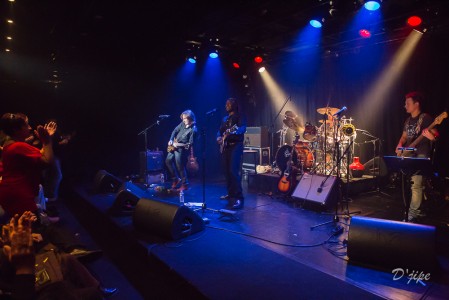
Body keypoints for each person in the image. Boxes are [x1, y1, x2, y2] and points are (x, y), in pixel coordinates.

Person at [0, 113, 56, 219]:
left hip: (13, 192)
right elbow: (48, 160)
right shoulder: (17, 146)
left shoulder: (10, 144)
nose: (30, 128)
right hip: (18, 194)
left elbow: (40, 153)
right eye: (26, 125)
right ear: (16, 129)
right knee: (31, 229)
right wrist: (47, 141)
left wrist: (45, 139)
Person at [395, 91, 439, 222]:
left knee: (417, 185)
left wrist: (431, 136)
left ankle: (412, 215)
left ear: (416, 104)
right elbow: (403, 137)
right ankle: (416, 210)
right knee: (411, 184)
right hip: (409, 154)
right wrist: (399, 145)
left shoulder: (426, 118)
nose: (405, 106)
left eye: (408, 103)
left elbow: (435, 135)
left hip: (421, 154)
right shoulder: (408, 120)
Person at [216, 98, 247, 209]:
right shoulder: (225, 118)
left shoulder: (239, 116)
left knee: (234, 171)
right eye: (226, 104)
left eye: (229, 104)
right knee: (227, 172)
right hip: (226, 147)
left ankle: (239, 198)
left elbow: (243, 128)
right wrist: (219, 137)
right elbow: (219, 131)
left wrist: (235, 131)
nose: (226, 105)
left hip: (236, 145)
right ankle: (231, 194)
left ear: (234, 105)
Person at [165, 110, 197, 191]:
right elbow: (175, 130)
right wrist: (171, 140)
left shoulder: (193, 130)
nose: (183, 120)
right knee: (168, 161)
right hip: (174, 146)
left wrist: (178, 145)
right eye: (182, 118)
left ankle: (185, 184)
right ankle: (175, 179)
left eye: (185, 119)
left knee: (179, 166)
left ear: (190, 118)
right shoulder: (182, 124)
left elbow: (189, 145)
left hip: (181, 149)